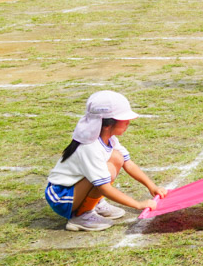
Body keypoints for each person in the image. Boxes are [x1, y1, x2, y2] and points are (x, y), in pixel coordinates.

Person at [44, 90, 165, 232]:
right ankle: (81, 216)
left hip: (73, 191)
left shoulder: (109, 139)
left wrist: (152, 187)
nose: (128, 122)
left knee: (117, 157)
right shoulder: (90, 147)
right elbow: (104, 188)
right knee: (105, 171)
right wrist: (138, 204)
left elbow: (128, 163)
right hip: (62, 197)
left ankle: (93, 203)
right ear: (107, 124)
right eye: (124, 119)